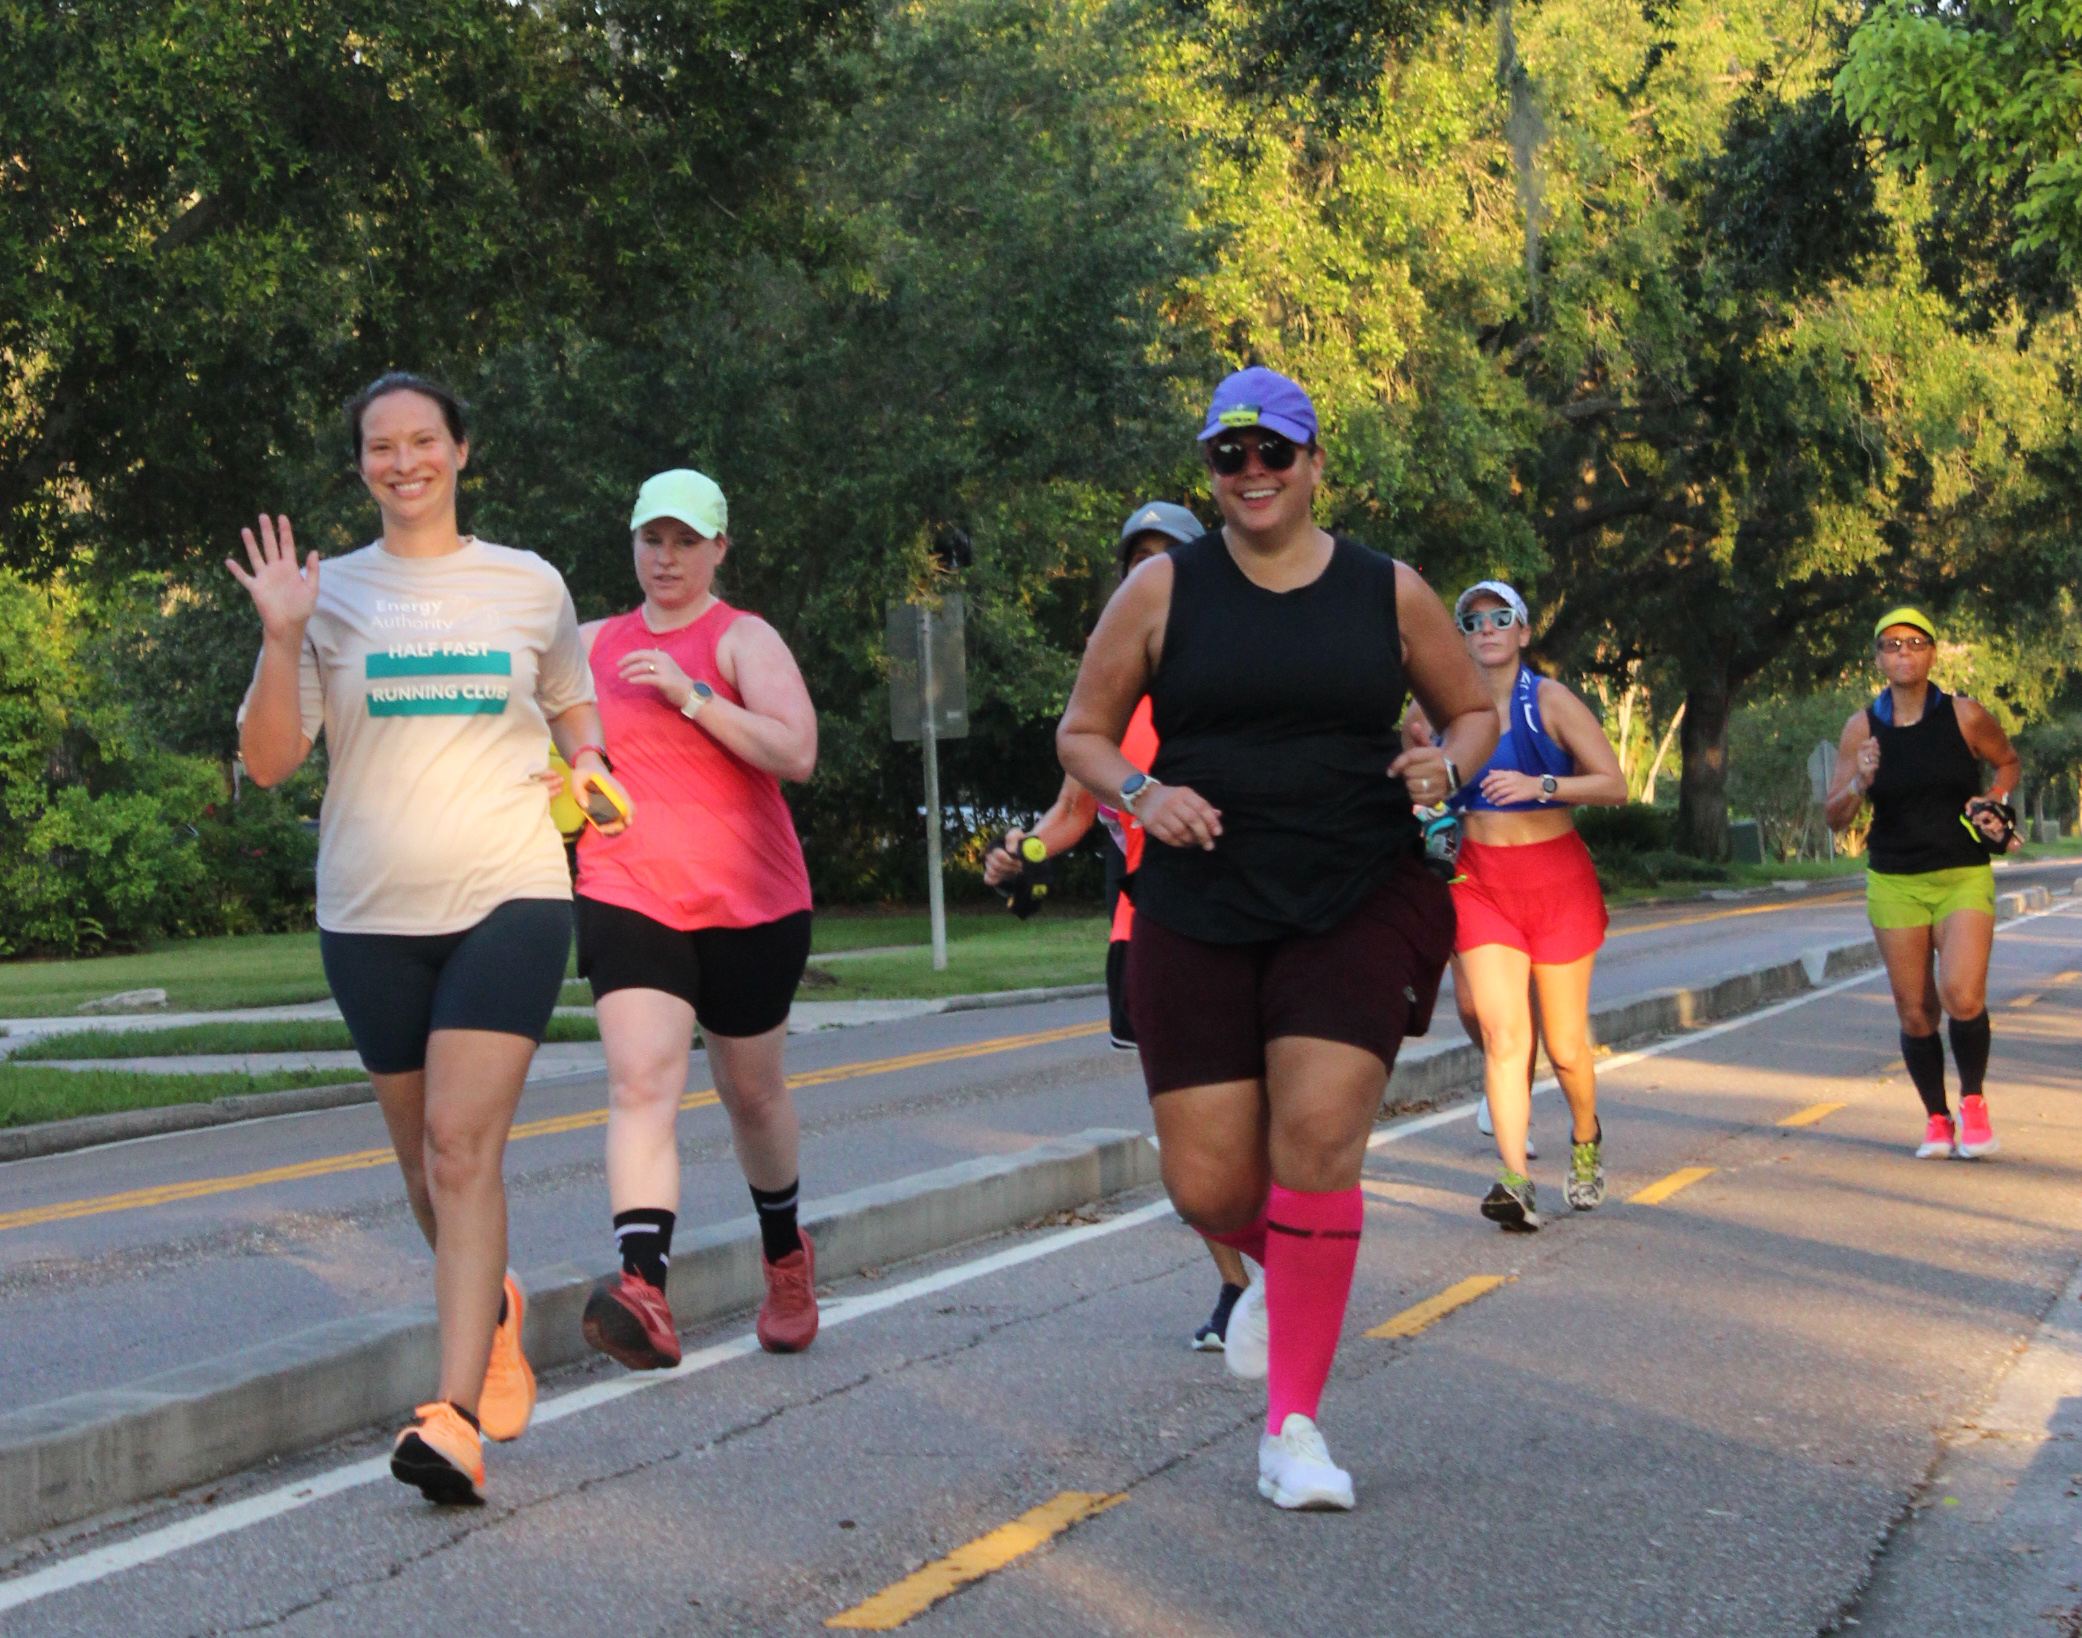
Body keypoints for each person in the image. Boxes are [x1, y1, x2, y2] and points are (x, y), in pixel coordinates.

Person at [1057, 366, 1498, 1511]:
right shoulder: (1162, 595)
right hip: (1201, 896)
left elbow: (1474, 710)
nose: (1251, 474)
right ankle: (1286, 1267)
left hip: (1356, 883)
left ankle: (1292, 1425)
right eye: (1228, 456)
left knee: (1318, 1141)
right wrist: (1144, 794)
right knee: (1208, 1185)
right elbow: (1084, 733)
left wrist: (1448, 764)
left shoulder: (1386, 591)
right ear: (1210, 472)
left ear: (1313, 464)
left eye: (1274, 453)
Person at [230, 372, 627, 1506]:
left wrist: (589, 761)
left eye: (422, 441)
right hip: (368, 915)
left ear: (460, 450)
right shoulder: (326, 594)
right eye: (379, 447)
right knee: (424, 1171)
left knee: (462, 1148)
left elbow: (569, 700)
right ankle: (491, 1309)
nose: (402, 461)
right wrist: (280, 635)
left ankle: (452, 1420)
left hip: (510, 894)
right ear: (361, 465)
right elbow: (267, 762)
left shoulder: (526, 583)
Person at [983, 501, 1251, 1350]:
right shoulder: (1113, 690)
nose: (1151, 575)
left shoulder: (1238, 673)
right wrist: (1020, 854)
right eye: (1137, 562)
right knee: (1192, 1133)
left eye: (1167, 557)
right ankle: (1238, 1289)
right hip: (1146, 929)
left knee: (1263, 1115)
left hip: (1247, 918)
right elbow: (1070, 812)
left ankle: (1289, 1259)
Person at [573, 469, 821, 1371]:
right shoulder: (591, 642)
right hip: (627, 892)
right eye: (652, 540)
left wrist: (692, 695)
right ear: (633, 543)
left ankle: (786, 1257)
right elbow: (547, 737)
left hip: (750, 903)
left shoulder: (740, 639)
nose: (666, 558)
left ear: (719, 548)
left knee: (751, 1095)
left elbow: (797, 752)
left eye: (686, 541)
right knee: (642, 1084)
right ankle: (644, 1287)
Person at [1409, 582, 1628, 1230]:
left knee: (1564, 1048)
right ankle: (1515, 1179)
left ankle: (1585, 1138)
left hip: (1556, 880)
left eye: (1500, 618)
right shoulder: (1438, 707)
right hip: (1479, 881)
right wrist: (1426, 806)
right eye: (1472, 622)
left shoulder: (1550, 701)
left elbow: (1612, 784)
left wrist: (1543, 784)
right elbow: (1423, 789)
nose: (1487, 630)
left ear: (1524, 632)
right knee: (1506, 1036)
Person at [1824, 606, 2020, 1159]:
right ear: (1879, 658)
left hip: (1961, 874)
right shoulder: (1862, 727)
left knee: (1962, 994)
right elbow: (1834, 817)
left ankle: (1974, 1105)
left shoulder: (1964, 715)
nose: (1903, 653)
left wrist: (1993, 800)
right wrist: (1861, 779)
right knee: (1915, 1012)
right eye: (1891, 645)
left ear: (1933, 652)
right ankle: (1937, 1118)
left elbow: (2007, 762)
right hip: (1894, 879)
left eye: (1914, 643)